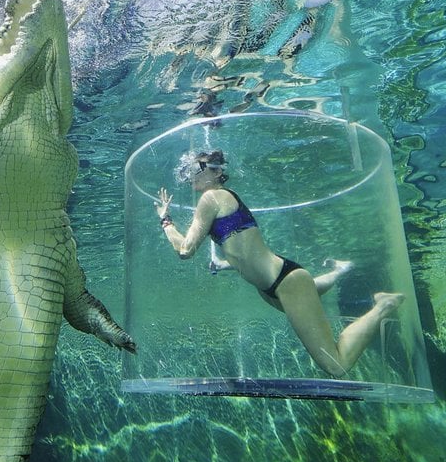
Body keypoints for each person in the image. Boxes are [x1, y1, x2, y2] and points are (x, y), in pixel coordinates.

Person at [155, 149, 405, 378]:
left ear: (217, 171)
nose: (190, 177)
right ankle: (339, 271)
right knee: (308, 291)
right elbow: (244, 251)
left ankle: (384, 305)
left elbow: (186, 250)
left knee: (335, 365)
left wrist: (165, 221)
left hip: (285, 281)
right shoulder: (217, 200)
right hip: (276, 286)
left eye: (195, 169)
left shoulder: (212, 198)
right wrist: (225, 263)